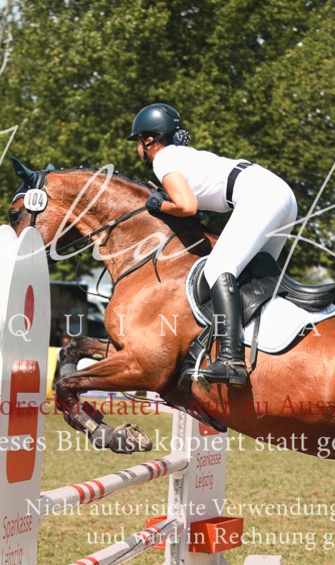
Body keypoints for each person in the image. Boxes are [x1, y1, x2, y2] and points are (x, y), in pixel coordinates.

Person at [127, 103, 297, 386]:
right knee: (254, 276)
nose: (138, 149)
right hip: (281, 195)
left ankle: (231, 360)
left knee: (217, 267)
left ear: (149, 140)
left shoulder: (163, 159)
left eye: (138, 142)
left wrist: (160, 204)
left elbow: (187, 206)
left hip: (261, 195)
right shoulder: (182, 156)